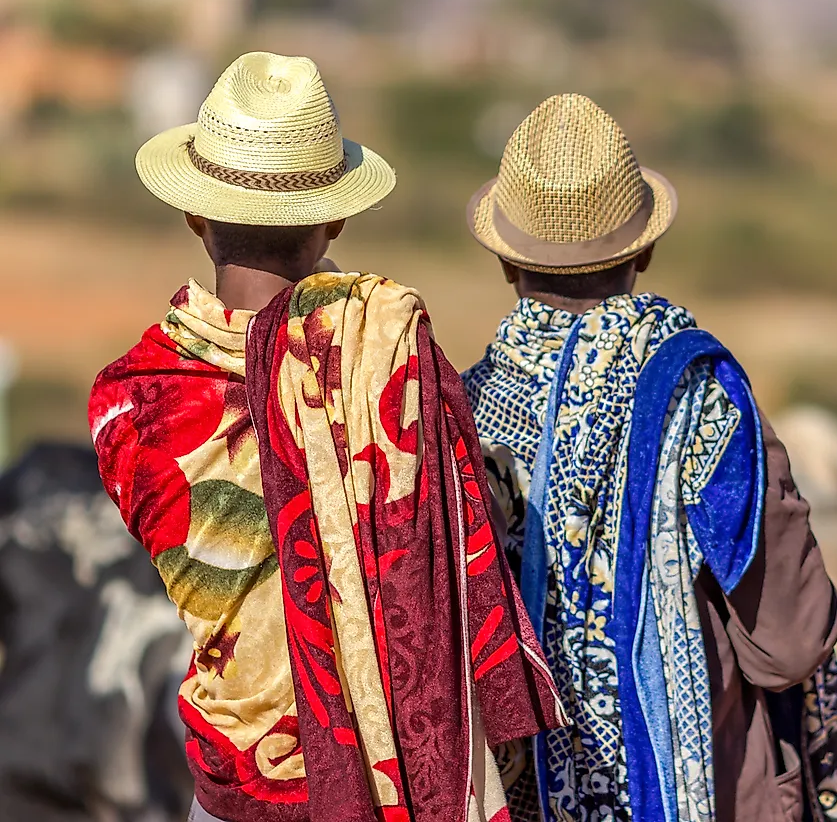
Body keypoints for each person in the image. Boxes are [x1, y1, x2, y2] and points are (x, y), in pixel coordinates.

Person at [88, 52, 563, 822]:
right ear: (337, 219)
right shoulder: (387, 356)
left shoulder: (130, 399)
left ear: (194, 217)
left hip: (239, 777)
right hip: (397, 781)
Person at [460, 93, 837, 822]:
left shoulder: (464, 414)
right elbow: (790, 641)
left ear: (504, 261)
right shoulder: (700, 397)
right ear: (643, 250)